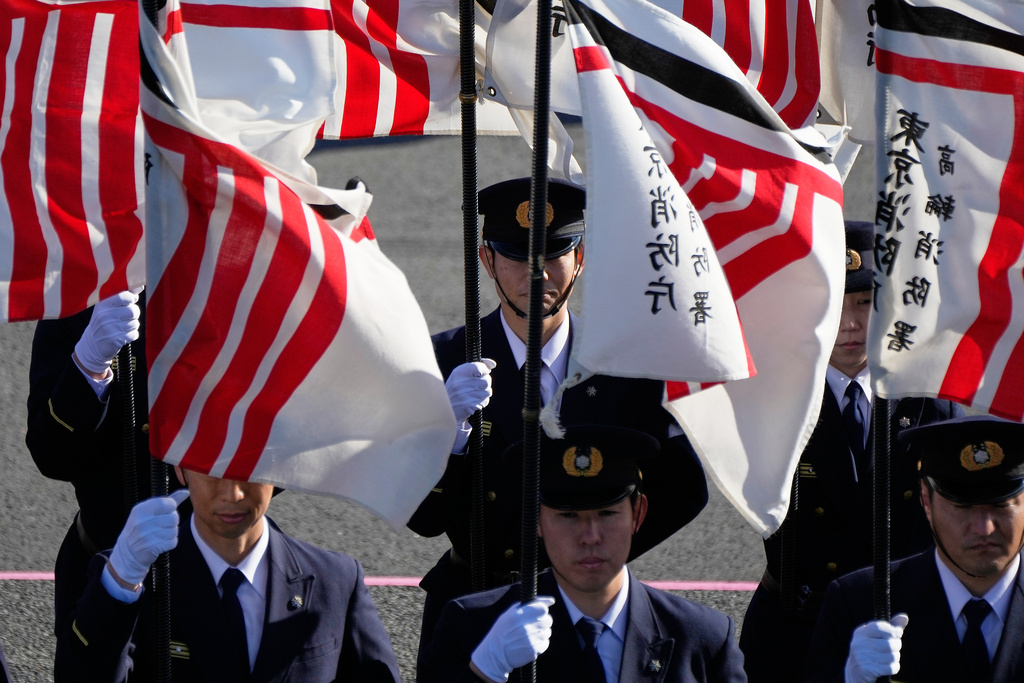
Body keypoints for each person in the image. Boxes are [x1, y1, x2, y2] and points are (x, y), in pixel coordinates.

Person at [407, 177, 709, 655]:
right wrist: (450, 436)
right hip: (472, 604)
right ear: (486, 260)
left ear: (581, 258)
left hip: (584, 610)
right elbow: (422, 517)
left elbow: (683, 489)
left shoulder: (625, 367)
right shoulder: (444, 362)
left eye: (553, 254)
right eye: (515, 257)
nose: (536, 273)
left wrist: (594, 563)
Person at [738, 221, 963, 681]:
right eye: (832, 305)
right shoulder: (773, 392)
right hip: (799, 620)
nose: (850, 325)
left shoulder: (927, 394)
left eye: (865, 302)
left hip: (901, 621)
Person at [419, 425, 746, 683]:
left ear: (638, 514)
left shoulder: (703, 638)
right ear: (536, 520)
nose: (590, 537)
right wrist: (482, 674)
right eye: (568, 516)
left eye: (607, 514)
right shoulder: (473, 628)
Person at [54, 467, 400, 682]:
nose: (233, 494)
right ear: (181, 469)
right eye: (212, 470)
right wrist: (119, 583)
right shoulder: (137, 580)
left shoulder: (334, 579)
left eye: (248, 468)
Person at [804, 414, 1024, 682]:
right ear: (926, 501)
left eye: (1001, 505)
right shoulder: (858, 604)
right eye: (962, 507)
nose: (984, 528)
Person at [26, 289, 187, 639]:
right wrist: (87, 367)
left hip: (216, 567)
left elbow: (286, 455)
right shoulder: (79, 296)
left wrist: (210, 472)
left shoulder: (238, 285)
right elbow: (50, 456)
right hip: (102, 562)